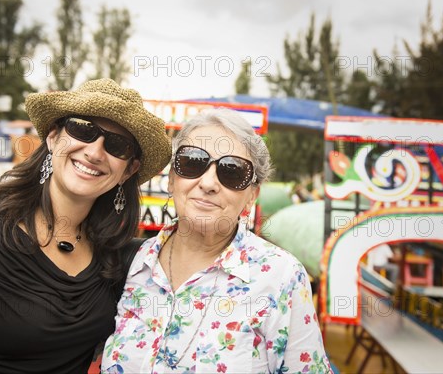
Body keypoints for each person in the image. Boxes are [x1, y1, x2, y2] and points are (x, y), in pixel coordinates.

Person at [0, 78, 171, 373]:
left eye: (117, 145)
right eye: (83, 129)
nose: (94, 152)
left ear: (129, 170)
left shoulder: (122, 258)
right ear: (53, 137)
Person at [102, 109, 332, 373]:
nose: (208, 182)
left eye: (232, 171)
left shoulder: (281, 277)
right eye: (192, 162)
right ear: (172, 180)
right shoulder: (132, 262)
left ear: (251, 196)